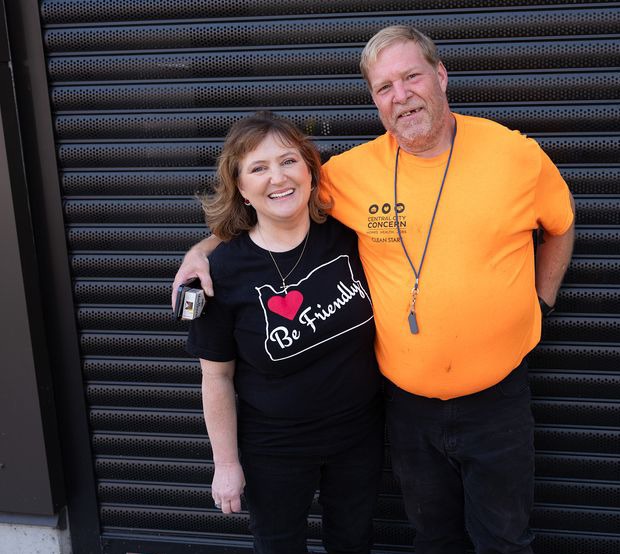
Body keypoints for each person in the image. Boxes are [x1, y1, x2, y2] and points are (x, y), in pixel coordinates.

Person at [174, 26, 575, 554]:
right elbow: (275, 203)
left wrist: (540, 302)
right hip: (406, 409)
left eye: (411, 77)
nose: (401, 95)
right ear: (374, 101)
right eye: (384, 87)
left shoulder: (515, 156)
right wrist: (201, 252)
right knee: (434, 538)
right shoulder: (349, 174)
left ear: (441, 75)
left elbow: (560, 226)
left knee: (504, 539)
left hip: (496, 400)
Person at [184, 112, 383, 554]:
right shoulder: (222, 272)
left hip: (360, 435)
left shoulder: (351, 237)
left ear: (311, 171)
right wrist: (226, 463)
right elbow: (215, 377)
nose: (278, 177)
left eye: (288, 161)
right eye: (258, 168)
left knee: (354, 542)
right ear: (240, 187)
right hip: (274, 446)